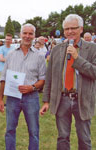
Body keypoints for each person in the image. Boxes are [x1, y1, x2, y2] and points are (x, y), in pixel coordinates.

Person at [40, 14, 96, 150]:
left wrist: (77, 58)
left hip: (82, 100)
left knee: (84, 138)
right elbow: (50, 77)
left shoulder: (92, 48)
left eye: (73, 28)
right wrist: (46, 101)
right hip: (62, 99)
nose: (69, 32)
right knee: (62, 138)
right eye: (66, 29)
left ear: (81, 29)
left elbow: (94, 72)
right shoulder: (56, 50)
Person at [0, 23, 46, 150]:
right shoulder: (11, 55)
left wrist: (32, 87)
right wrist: (0, 99)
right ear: (20, 34)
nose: (27, 36)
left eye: (30, 33)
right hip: (13, 98)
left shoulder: (40, 56)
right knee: (10, 130)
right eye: (25, 33)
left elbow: (43, 79)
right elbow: (3, 79)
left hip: (31, 97)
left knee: (34, 132)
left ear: (34, 36)